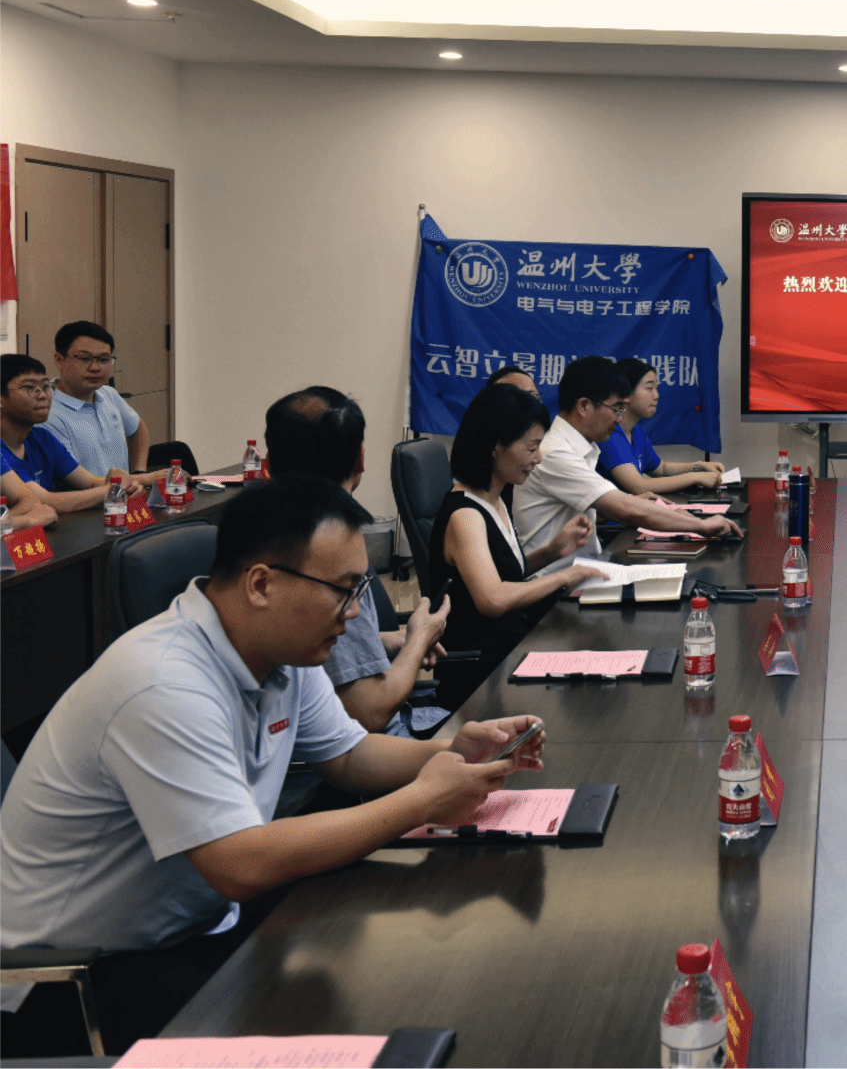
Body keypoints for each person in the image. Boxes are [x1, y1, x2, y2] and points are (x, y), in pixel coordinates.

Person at [0, 474, 544, 1053]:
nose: (355, 612)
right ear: (261, 584)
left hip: (193, 927)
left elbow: (349, 754)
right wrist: (421, 801)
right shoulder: (161, 683)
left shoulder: (281, 650)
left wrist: (449, 751)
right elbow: (240, 865)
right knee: (364, 1008)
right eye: (344, 590)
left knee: (393, 956)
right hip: (72, 979)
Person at [264, 387, 450, 737]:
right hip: (377, 744)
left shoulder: (273, 535)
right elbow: (370, 712)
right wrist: (418, 640)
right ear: (360, 460)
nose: (349, 610)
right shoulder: (324, 555)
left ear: (267, 465)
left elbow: (329, 654)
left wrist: (394, 640)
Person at [430, 383, 606, 704]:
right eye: (531, 448)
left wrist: (553, 551)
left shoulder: (494, 498)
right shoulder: (465, 515)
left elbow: (503, 572)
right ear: (496, 447)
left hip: (512, 652)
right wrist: (564, 575)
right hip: (482, 677)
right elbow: (492, 598)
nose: (538, 458)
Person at [513, 356, 739, 559]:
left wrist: (635, 505)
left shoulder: (582, 446)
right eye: (616, 408)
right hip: (557, 581)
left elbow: (590, 509)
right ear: (584, 406)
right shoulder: (556, 452)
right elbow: (626, 509)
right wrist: (701, 525)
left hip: (583, 566)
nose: (619, 419)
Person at [1, 353, 144, 514]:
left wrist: (127, 485)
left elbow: (90, 482)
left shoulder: (42, 438)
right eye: (28, 388)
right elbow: (46, 500)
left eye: (45, 386)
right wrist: (114, 489)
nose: (42, 395)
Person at [40, 322, 163, 483]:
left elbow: (137, 428)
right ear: (59, 360)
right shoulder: (46, 413)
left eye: (104, 359)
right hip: (89, 498)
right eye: (84, 358)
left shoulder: (108, 394)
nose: (95, 368)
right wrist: (146, 479)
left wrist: (139, 471)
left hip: (123, 494)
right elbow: (79, 482)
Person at [599, 358, 726, 496]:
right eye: (649, 389)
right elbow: (639, 486)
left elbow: (661, 469)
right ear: (625, 394)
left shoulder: (636, 432)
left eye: (656, 389)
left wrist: (699, 466)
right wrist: (696, 477)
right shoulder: (608, 434)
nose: (656, 396)